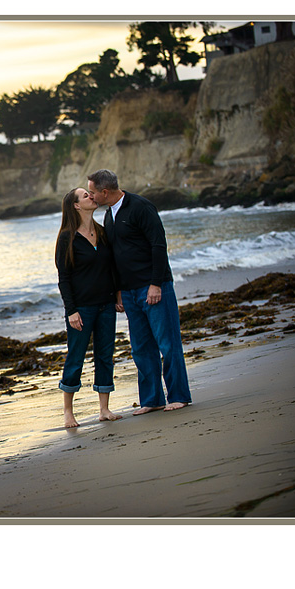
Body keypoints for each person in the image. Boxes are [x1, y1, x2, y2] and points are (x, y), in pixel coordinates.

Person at [87, 169, 192, 415]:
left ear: (105, 192)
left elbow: (158, 245)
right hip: (130, 293)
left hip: (155, 287)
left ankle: (178, 396)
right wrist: (119, 291)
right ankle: (152, 399)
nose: (91, 197)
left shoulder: (141, 207)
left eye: (92, 192)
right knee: (141, 348)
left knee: (168, 343)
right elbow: (115, 257)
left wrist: (156, 283)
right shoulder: (109, 216)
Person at [54, 187, 123, 428]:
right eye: (85, 196)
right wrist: (71, 310)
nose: (91, 197)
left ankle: (104, 409)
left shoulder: (102, 232)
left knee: (105, 356)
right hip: (81, 309)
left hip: (106, 305)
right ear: (75, 205)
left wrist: (118, 295)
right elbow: (64, 278)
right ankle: (68, 412)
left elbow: (112, 268)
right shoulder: (66, 238)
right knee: (75, 358)